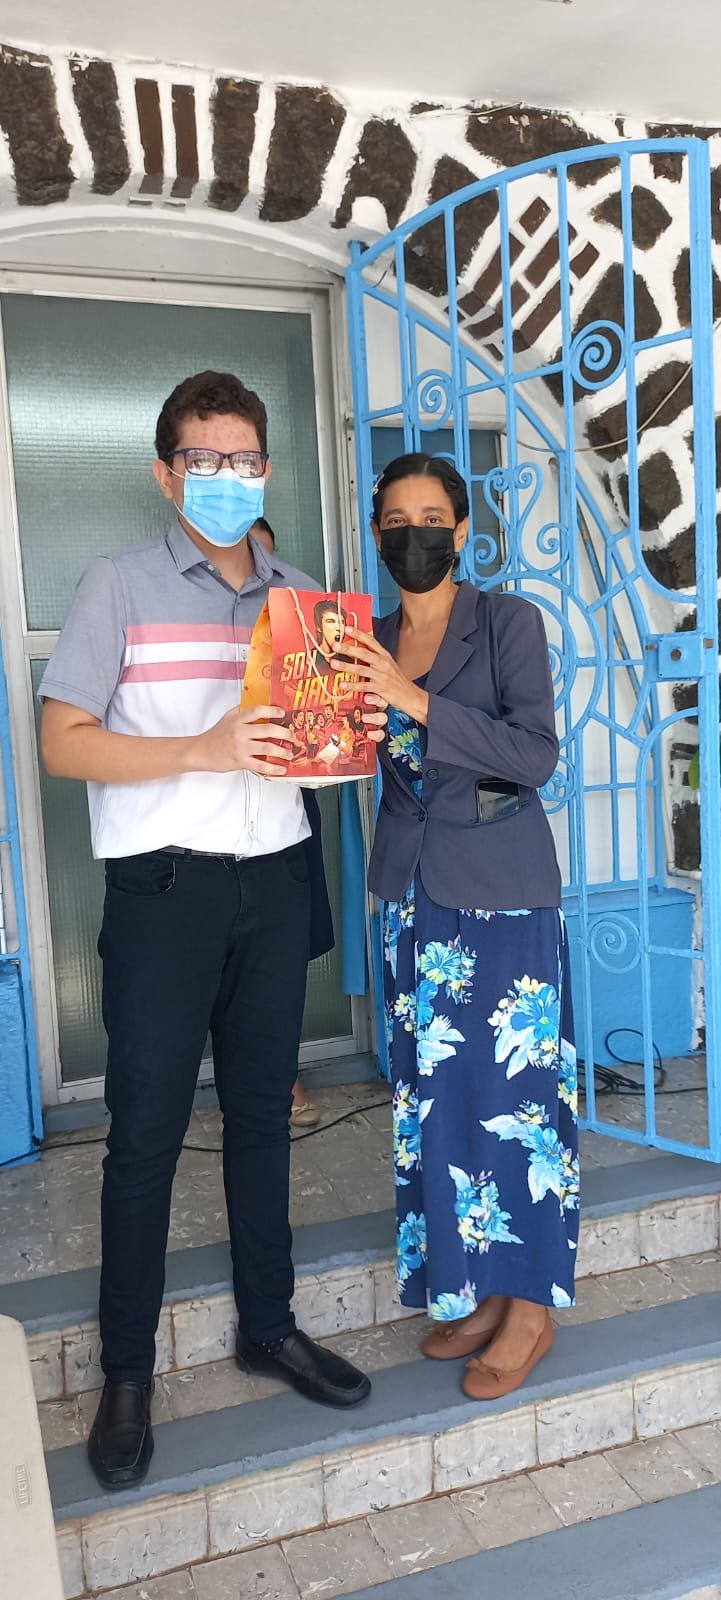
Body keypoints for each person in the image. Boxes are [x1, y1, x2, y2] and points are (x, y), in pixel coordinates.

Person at [39, 371, 386, 1491]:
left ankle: (268, 1326)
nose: (226, 477)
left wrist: (351, 730)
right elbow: (62, 741)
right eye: (204, 460)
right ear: (166, 473)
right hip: (163, 892)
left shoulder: (305, 599)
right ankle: (126, 1372)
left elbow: (319, 753)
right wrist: (202, 747)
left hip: (274, 881)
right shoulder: (119, 584)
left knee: (261, 1116)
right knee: (143, 1134)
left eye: (243, 459)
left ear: (267, 469)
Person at [335, 452, 578, 1402]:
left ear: (462, 532)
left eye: (431, 519)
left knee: (516, 1105)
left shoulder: (506, 621)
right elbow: (357, 758)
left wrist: (413, 700)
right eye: (395, 521)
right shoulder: (366, 637)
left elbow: (534, 754)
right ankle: (474, 1285)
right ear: (377, 534)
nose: (414, 535)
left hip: (502, 893)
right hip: (414, 895)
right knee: (437, 1104)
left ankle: (531, 1307)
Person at [250, 517, 326, 1129]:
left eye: (267, 560)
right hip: (201, 834)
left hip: (287, 809)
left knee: (280, 956)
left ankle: (282, 1070)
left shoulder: (299, 623)